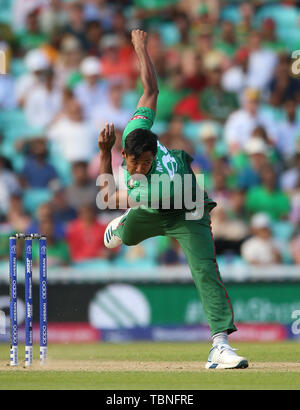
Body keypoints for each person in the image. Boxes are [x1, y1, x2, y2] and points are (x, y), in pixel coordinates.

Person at [98, 30, 248, 370]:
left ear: (154, 155)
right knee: (130, 234)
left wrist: (106, 155)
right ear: (129, 150)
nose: (136, 168)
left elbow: (108, 194)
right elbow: (150, 90)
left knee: (205, 270)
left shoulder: (153, 182)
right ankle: (126, 225)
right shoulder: (137, 133)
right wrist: (140, 48)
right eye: (132, 162)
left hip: (187, 208)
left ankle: (220, 346)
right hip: (149, 208)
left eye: (144, 163)